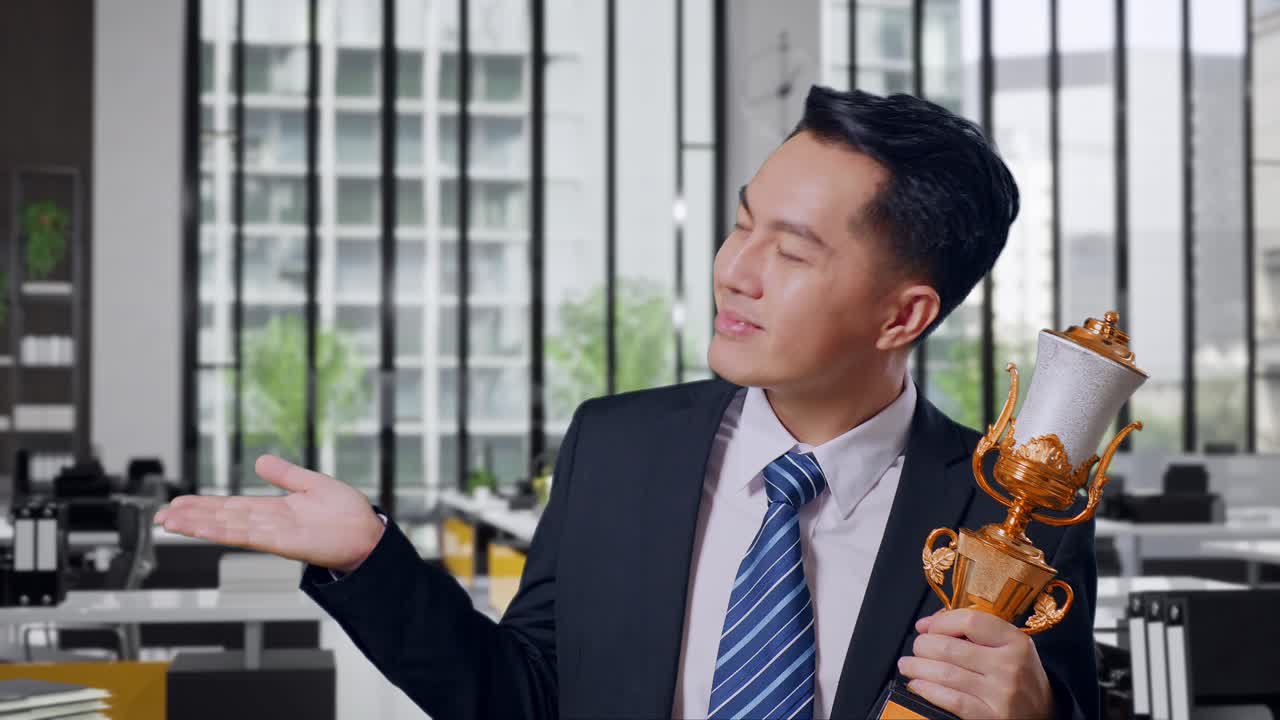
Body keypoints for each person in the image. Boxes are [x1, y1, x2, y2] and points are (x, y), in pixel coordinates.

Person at [155, 86, 1098, 720]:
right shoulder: (616, 446)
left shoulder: (1018, 516)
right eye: (741, 225)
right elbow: (525, 696)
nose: (735, 272)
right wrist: (373, 561)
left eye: (793, 251)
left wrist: (1041, 713)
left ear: (905, 314)